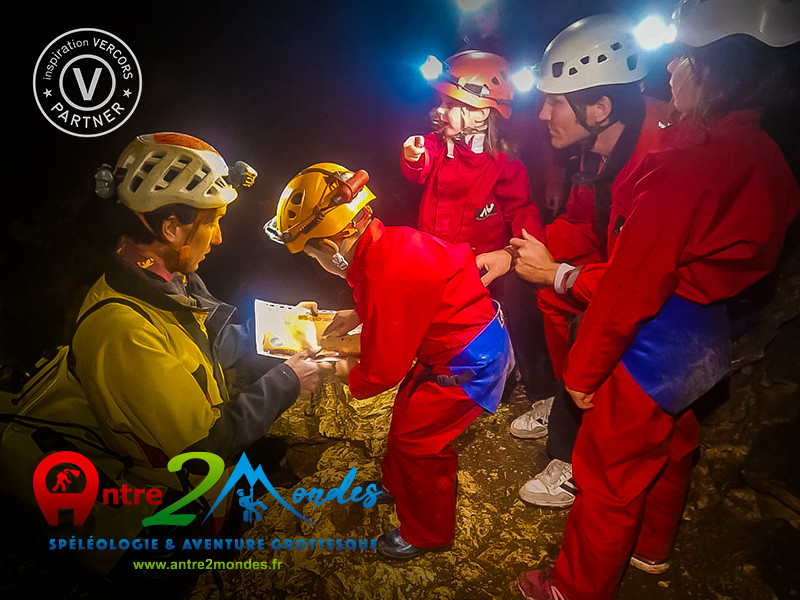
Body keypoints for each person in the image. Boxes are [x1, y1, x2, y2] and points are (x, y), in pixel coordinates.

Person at [515, 0, 800, 598]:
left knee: (609, 474)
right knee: (674, 442)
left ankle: (573, 589)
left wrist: (583, 372)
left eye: (683, 60)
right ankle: (651, 551)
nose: (669, 73)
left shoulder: (683, 167)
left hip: (651, 339)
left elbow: (632, 284)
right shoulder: (760, 151)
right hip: (705, 334)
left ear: (713, 71)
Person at [72, 133, 327, 528]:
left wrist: (290, 326)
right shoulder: (123, 334)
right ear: (171, 227)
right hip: (185, 508)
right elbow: (205, 445)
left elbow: (209, 341)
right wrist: (288, 381)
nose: (220, 237)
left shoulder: (163, 278)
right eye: (214, 222)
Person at [265, 162, 514, 560]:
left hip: (468, 364)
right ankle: (398, 483)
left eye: (314, 256)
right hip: (457, 346)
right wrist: (357, 313)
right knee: (406, 414)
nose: (319, 264)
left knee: (420, 444)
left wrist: (343, 372)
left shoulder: (386, 270)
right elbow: (393, 290)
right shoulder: (387, 243)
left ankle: (428, 532)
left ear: (330, 248)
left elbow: (384, 370)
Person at [508, 14, 670, 509]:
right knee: (528, 285)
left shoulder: (660, 162)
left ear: (599, 106)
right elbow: (582, 222)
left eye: (555, 102)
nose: (542, 115)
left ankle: (577, 453)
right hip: (633, 273)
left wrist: (559, 273)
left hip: (685, 307)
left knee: (584, 321)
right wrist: (508, 252)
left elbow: (635, 285)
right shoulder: (603, 144)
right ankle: (562, 399)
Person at [402, 49, 555, 400]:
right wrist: (412, 156)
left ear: (483, 113)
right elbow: (420, 165)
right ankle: (442, 363)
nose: (440, 110)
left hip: (481, 259)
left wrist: (524, 248)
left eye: (452, 104)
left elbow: (521, 206)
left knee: (480, 317)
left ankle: (498, 371)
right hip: (437, 250)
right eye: (441, 100)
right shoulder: (439, 145)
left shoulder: (502, 160)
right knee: (439, 309)